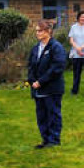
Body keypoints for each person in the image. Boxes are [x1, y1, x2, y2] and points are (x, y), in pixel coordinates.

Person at [27, 20, 66, 149]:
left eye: (40, 30)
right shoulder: (36, 48)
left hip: (52, 88)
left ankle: (54, 140)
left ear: (48, 31)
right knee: (41, 116)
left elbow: (57, 67)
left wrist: (41, 81)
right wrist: (32, 80)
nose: (37, 33)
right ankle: (45, 139)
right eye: (37, 31)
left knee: (53, 114)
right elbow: (31, 66)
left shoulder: (56, 47)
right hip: (38, 89)